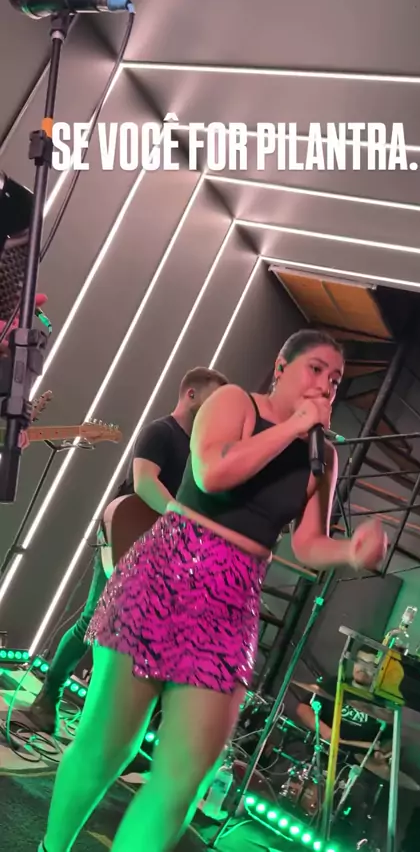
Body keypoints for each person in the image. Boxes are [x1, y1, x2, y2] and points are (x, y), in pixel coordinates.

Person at [38, 328, 387, 852]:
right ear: (281, 367)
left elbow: (308, 543)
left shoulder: (323, 456)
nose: (326, 385)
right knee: (107, 747)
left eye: (335, 380)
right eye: (316, 369)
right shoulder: (234, 402)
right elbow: (212, 473)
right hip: (167, 574)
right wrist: (293, 425)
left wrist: (351, 552)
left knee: (185, 777)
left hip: (232, 603)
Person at [25, 366, 228, 736]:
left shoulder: (201, 450)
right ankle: (47, 698)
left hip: (162, 546)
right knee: (94, 619)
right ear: (191, 394)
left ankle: (102, 724)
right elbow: (145, 483)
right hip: (127, 533)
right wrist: (182, 516)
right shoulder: (161, 432)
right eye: (214, 399)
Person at [295, 645, 393, 753]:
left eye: (370, 665)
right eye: (359, 661)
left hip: (354, 760)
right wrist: (324, 731)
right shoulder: (336, 684)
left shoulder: (384, 703)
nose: (362, 668)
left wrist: (382, 752)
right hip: (321, 751)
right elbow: (303, 709)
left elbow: (389, 741)